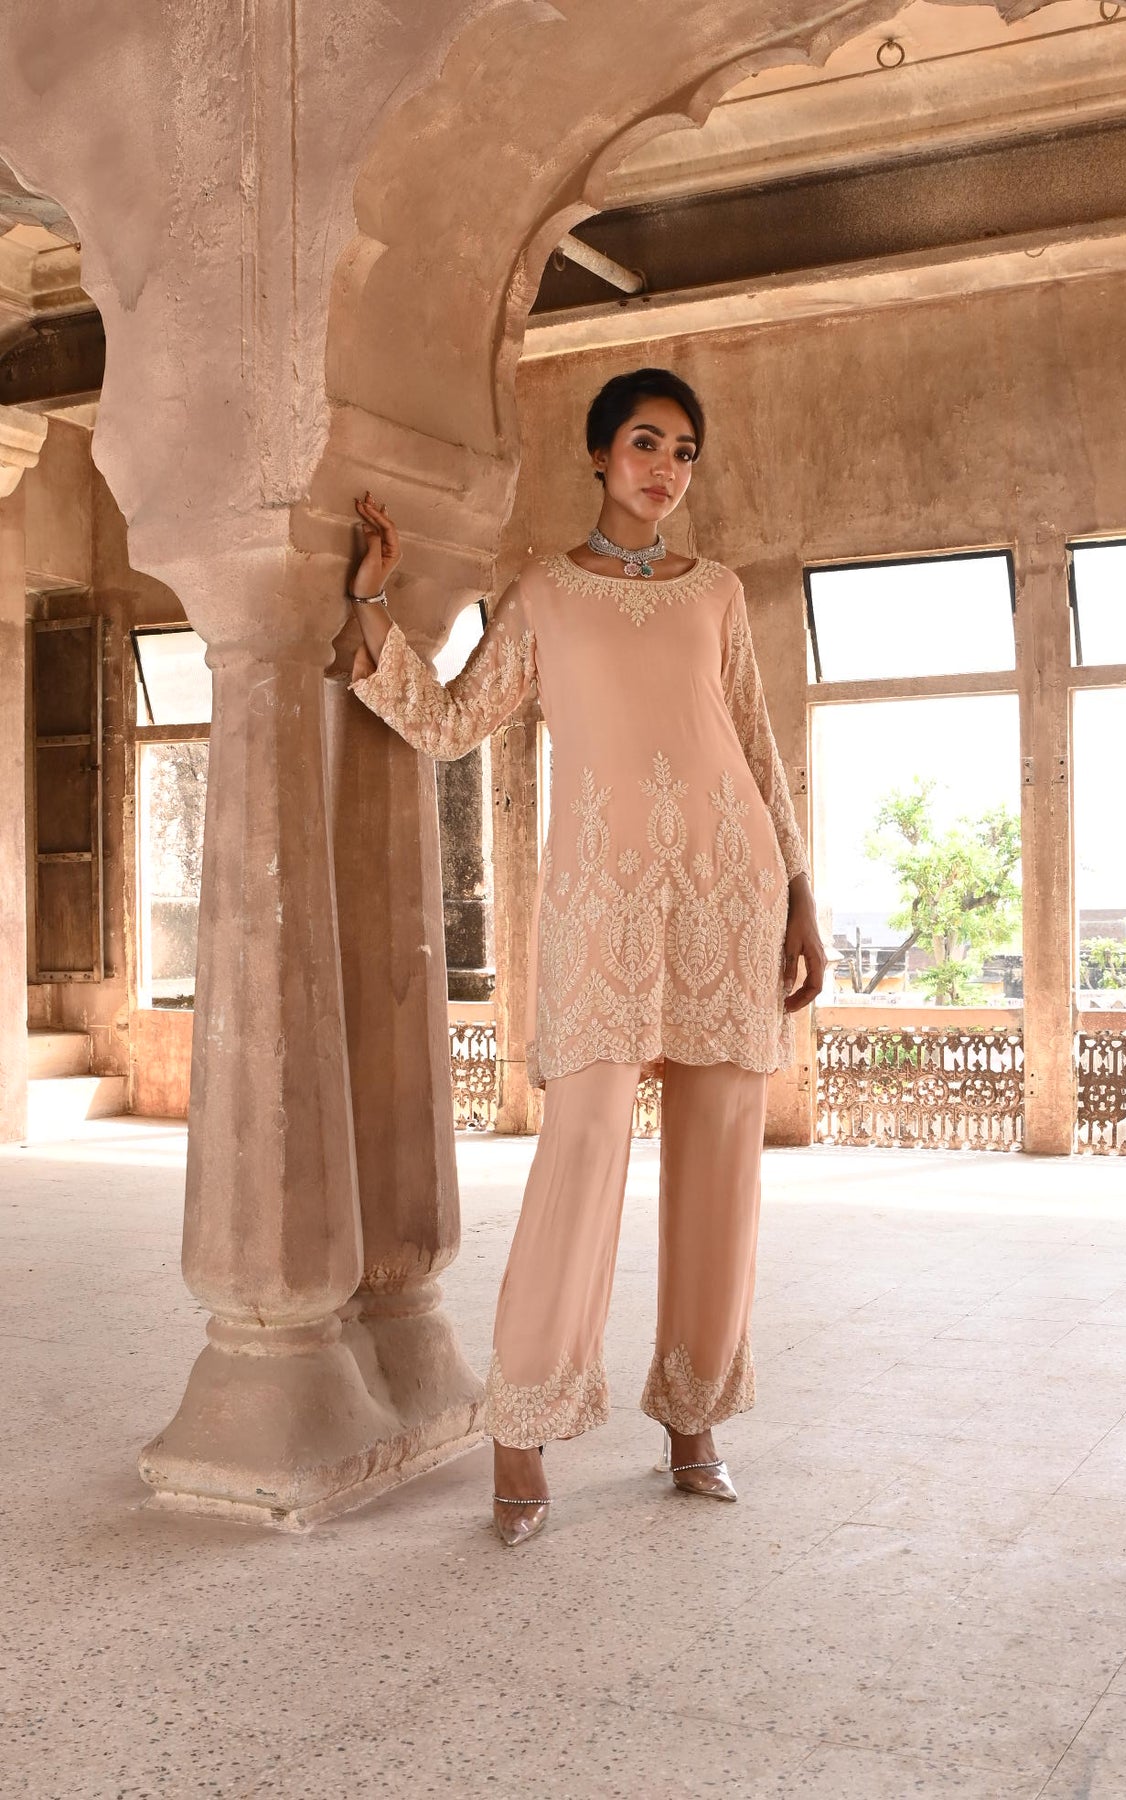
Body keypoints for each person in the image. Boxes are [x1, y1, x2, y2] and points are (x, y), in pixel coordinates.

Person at [346, 368, 826, 1546]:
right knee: (584, 1147)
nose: (667, 468)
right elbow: (452, 722)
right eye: (647, 443)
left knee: (723, 1159)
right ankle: (521, 1429)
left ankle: (694, 1418)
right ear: (602, 455)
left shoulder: (718, 592)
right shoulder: (545, 594)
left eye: (685, 452)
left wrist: (801, 899)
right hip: (602, 907)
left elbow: (758, 746)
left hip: (729, 892)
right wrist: (372, 604)